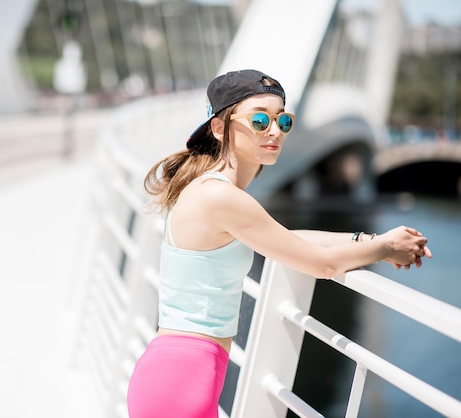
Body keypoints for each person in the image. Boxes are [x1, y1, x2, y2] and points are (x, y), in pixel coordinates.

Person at [126, 69, 432, 418]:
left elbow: (286, 239)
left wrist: (366, 239)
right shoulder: (219, 197)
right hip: (182, 381)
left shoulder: (214, 190)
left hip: (183, 374)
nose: (274, 131)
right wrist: (384, 249)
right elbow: (323, 265)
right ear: (219, 127)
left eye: (282, 120)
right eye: (259, 120)